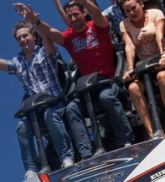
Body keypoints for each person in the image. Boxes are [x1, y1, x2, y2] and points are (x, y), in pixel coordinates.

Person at [15, 1, 134, 157]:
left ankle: (126, 140)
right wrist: (35, 21)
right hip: (87, 88)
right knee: (72, 107)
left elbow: (97, 14)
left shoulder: (96, 26)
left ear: (84, 13)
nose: (73, 18)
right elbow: (50, 32)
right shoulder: (70, 37)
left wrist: (84, 1)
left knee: (106, 97)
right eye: (70, 16)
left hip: (106, 82)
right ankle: (86, 153)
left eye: (76, 14)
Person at [0, 20, 75, 179]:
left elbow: (48, 39)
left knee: (50, 114)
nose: (23, 40)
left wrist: (34, 21)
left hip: (55, 104)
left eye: (25, 36)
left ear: (33, 36)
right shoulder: (18, 62)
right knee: (21, 126)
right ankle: (31, 169)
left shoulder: (44, 52)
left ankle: (66, 157)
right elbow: (3, 64)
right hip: (35, 111)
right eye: (19, 38)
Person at [118, 0, 165, 137]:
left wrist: (163, 54)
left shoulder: (155, 14)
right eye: (127, 11)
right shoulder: (124, 24)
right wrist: (130, 68)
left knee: (162, 77)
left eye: (133, 8)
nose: (131, 13)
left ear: (141, 4)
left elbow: (159, 36)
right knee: (133, 88)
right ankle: (152, 132)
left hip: (161, 59)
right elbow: (130, 46)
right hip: (143, 66)